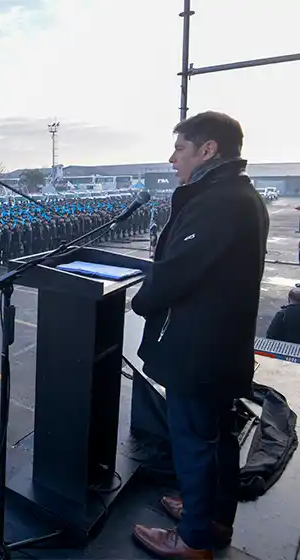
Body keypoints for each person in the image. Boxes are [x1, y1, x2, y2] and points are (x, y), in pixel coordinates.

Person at [131, 111, 269, 558]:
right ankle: (210, 518)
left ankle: (191, 541)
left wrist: (142, 300)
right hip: (220, 344)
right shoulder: (237, 195)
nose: (173, 159)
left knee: (192, 440)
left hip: (199, 347)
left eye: (180, 149)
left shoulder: (217, 201)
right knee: (217, 436)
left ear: (207, 150)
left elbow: (177, 273)